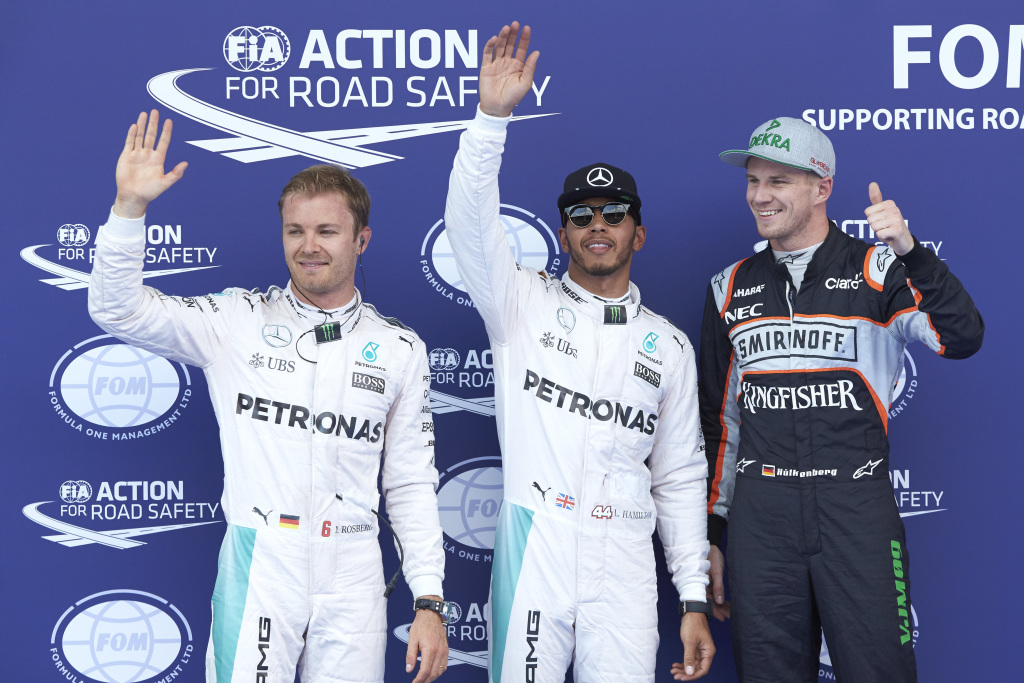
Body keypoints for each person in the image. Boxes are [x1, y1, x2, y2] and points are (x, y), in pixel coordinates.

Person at [88, 110, 451, 683]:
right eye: (295, 231)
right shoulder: (235, 319)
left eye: (327, 231)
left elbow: (409, 481)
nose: (309, 247)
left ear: (362, 239)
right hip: (261, 559)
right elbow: (117, 309)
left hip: (354, 568)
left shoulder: (400, 348)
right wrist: (129, 210)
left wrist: (429, 600)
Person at [444, 22, 715, 683]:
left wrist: (695, 596)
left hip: (624, 552)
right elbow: (469, 229)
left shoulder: (669, 345)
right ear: (563, 232)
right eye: (583, 213)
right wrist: (489, 122)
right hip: (536, 540)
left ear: (638, 233)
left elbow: (678, 477)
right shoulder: (519, 303)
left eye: (613, 212)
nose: (599, 224)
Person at [700, 116, 984, 682]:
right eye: (754, 181)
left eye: (778, 181)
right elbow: (721, 423)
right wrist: (711, 535)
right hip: (763, 515)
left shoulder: (879, 270)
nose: (760, 195)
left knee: (881, 671)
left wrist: (910, 250)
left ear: (821, 188)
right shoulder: (728, 285)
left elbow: (960, 338)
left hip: (855, 506)